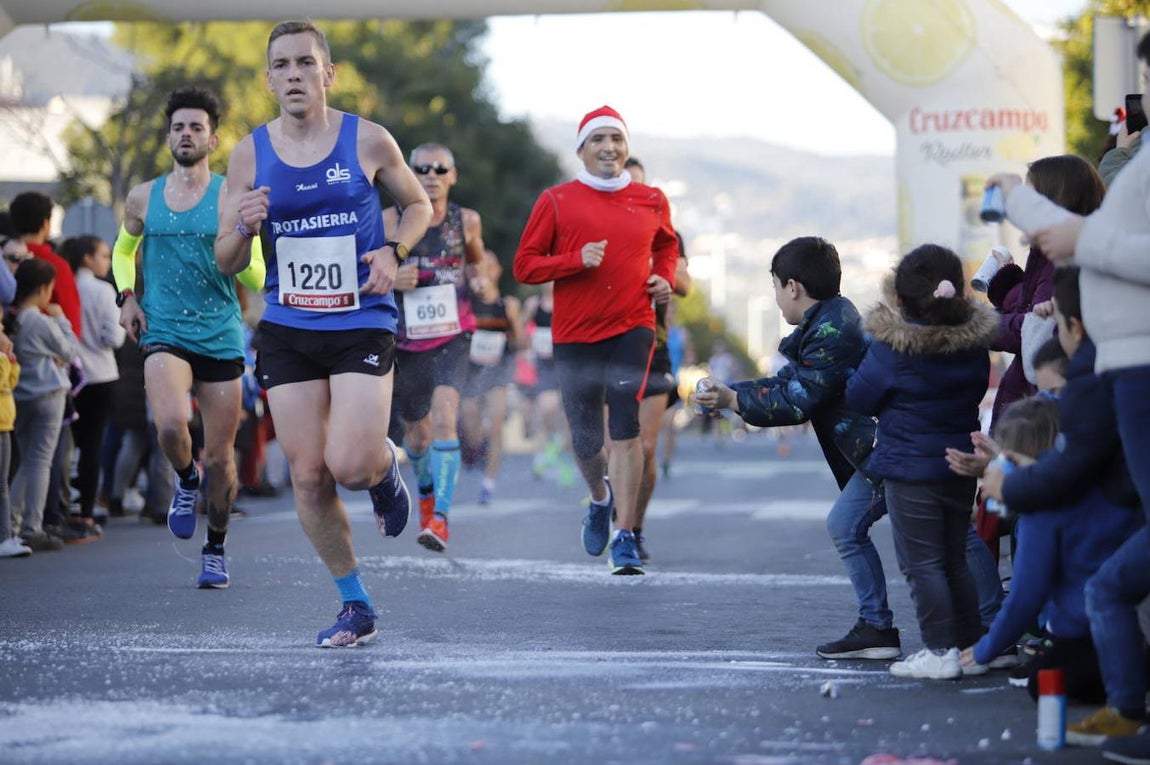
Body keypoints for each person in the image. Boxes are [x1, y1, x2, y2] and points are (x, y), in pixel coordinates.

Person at [215, 19, 431, 646]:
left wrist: (393, 249)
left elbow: (418, 205)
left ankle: (386, 465)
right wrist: (243, 229)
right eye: (281, 65)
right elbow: (225, 260)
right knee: (309, 475)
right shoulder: (249, 154)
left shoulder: (368, 140)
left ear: (328, 74)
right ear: (268, 79)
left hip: (361, 316)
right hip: (288, 326)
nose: (294, 76)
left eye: (306, 63)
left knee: (352, 463)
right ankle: (354, 602)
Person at [695, 237, 895, 659]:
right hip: (881, 450)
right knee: (862, 527)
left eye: (774, 288)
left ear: (792, 287)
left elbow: (799, 400)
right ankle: (880, 628)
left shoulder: (832, 330)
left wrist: (733, 401)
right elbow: (790, 383)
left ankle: (983, 627)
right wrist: (733, 392)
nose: (775, 299)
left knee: (948, 538)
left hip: (888, 450)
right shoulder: (830, 321)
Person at [960, 268, 1142, 707]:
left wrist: (984, 650)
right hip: (1115, 630)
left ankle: (1127, 708)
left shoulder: (1043, 508)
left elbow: (1024, 596)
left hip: (1085, 636)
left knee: (1044, 681)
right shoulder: (1094, 486)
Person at [513, 105, 678, 575]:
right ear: (582, 150)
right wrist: (573, 259)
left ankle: (625, 536)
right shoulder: (558, 200)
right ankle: (599, 498)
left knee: (625, 424)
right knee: (586, 438)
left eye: (616, 139)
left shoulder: (651, 198)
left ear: (626, 147)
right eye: (598, 140)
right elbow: (524, 266)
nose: (609, 148)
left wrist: (662, 278)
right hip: (575, 333)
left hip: (633, 325)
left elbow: (666, 246)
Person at [114, 86, 266, 590]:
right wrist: (127, 297)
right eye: (178, 126)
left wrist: (244, 234)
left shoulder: (231, 196)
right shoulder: (143, 196)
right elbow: (121, 253)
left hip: (220, 334)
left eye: (196, 127)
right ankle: (185, 479)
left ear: (213, 138)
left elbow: (256, 278)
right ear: (168, 136)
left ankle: (216, 547)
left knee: (222, 457)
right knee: (170, 424)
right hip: (164, 329)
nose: (186, 134)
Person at [844, 244, 998, 680]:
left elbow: (859, 396)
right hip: (959, 464)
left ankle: (939, 650)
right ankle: (969, 646)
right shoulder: (972, 346)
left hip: (911, 470)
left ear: (903, 296)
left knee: (921, 565)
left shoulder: (893, 348)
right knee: (953, 558)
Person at [385, 142, 484, 553]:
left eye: (440, 169)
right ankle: (425, 492)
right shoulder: (391, 219)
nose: (431, 175)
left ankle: (440, 518)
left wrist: (478, 280)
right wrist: (391, 276)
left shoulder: (467, 221)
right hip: (406, 341)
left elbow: (476, 261)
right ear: (409, 173)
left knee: (445, 418)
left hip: (452, 335)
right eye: (422, 168)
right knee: (417, 434)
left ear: (453, 175)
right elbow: (365, 268)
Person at [625, 158, 691, 563]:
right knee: (612, 444)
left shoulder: (665, 233)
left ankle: (633, 529)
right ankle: (609, 500)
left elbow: (684, 282)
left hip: (653, 348)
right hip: (604, 349)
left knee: (647, 448)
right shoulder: (594, 227)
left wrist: (663, 277)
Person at [7, 258, 79, 553]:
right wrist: (61, 319)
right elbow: (70, 351)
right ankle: (31, 527)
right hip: (48, 395)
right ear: (42, 288)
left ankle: (11, 524)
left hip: (20, 395)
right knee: (40, 461)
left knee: (25, 461)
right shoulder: (39, 320)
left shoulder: (12, 318)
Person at [61, 235, 125, 535]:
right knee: (93, 445)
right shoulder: (101, 290)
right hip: (100, 374)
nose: (107, 262)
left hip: (68, 376)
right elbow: (115, 336)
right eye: (103, 255)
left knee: (67, 446)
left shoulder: (63, 286)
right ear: (87, 258)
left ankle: (65, 507)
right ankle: (86, 512)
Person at [459, 249, 522, 505]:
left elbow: (519, 344)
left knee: (496, 425)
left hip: (498, 371)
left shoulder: (507, 305)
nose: (484, 269)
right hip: (471, 372)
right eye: (479, 265)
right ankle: (477, 445)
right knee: (471, 425)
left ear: (497, 271)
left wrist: (514, 323)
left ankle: (488, 483)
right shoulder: (466, 302)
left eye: (489, 265)